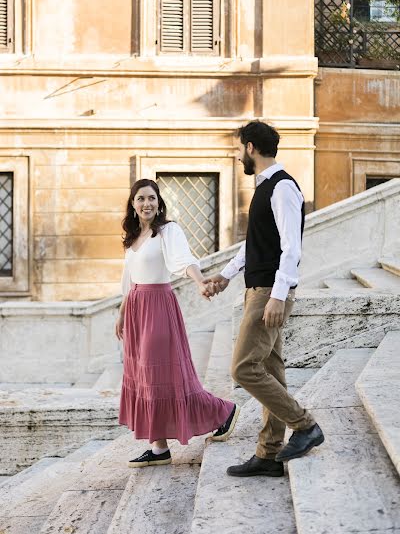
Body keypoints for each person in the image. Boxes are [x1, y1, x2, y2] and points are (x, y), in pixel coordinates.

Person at [206, 121, 324, 477]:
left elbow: (292, 246)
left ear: (252, 147)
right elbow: (254, 243)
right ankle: (269, 454)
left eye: (240, 147)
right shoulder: (264, 187)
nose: (238, 153)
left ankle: (305, 426)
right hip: (257, 290)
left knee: (243, 368)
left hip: (268, 293)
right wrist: (225, 276)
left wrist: (278, 294)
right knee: (271, 369)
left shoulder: (283, 187)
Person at [115, 178, 240, 468]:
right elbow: (128, 280)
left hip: (158, 307)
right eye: (141, 199)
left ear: (159, 203)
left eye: (151, 198)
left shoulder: (168, 231)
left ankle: (223, 411)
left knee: (163, 376)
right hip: (135, 309)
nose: (147, 204)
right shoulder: (132, 239)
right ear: (133, 205)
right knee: (145, 379)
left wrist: (199, 282)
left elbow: (183, 261)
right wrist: (122, 313)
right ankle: (159, 448)